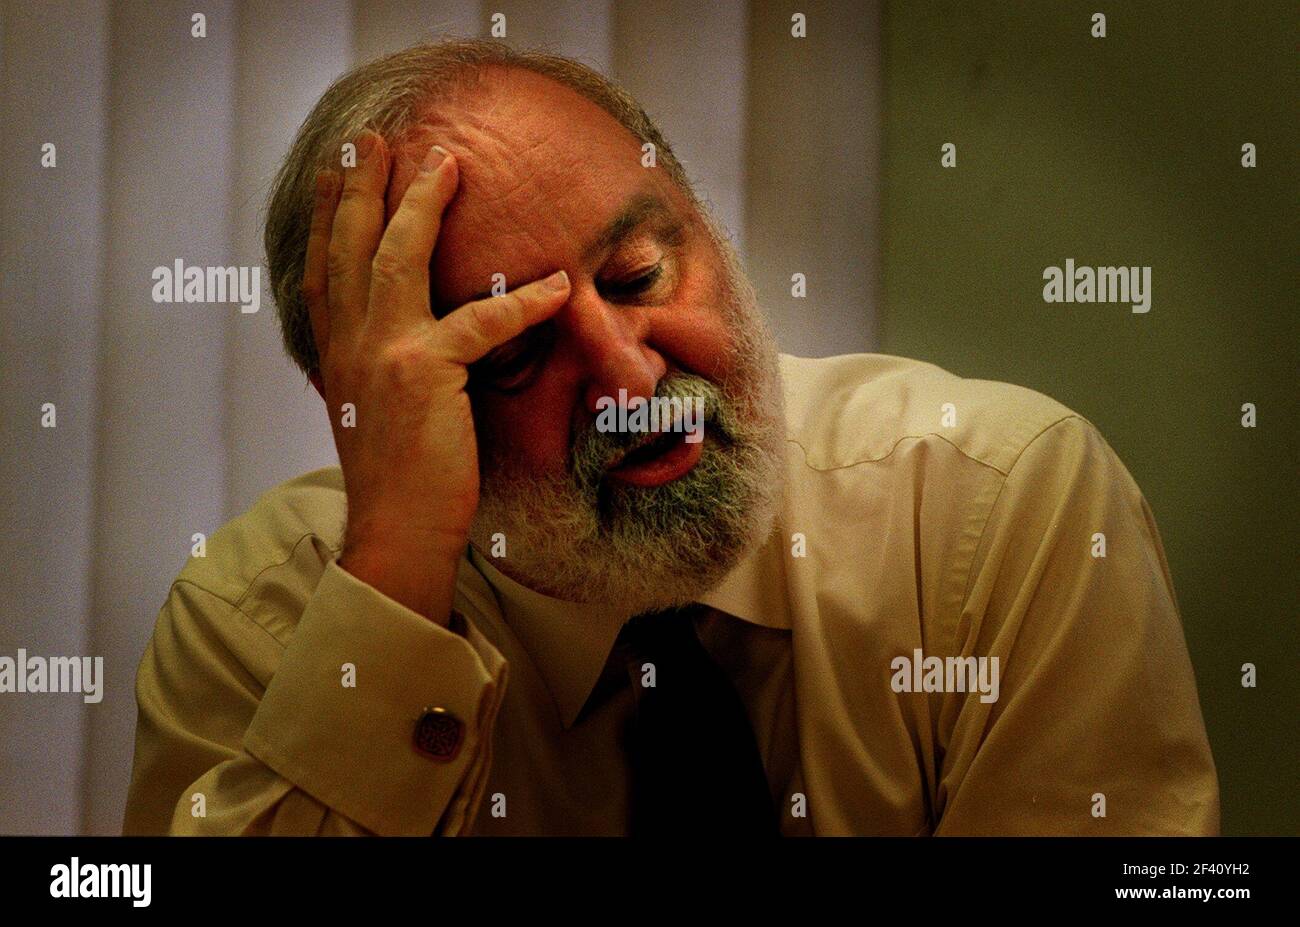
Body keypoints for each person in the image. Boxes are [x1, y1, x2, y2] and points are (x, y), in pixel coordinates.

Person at [122, 39, 1219, 836]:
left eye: (640, 274)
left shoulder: (999, 506)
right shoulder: (258, 621)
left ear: (713, 233)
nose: (629, 374)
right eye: (511, 350)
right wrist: (399, 574)